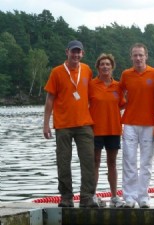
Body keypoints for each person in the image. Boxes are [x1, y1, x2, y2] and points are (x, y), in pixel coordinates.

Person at [43, 40, 98, 208]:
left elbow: (93, 95)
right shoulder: (57, 72)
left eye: (78, 52)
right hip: (63, 125)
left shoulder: (87, 70)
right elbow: (50, 98)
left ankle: (86, 197)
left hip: (84, 124)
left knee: (89, 161)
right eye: (73, 51)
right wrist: (46, 124)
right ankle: (66, 197)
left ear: (83, 53)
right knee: (63, 161)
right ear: (67, 52)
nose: (76, 55)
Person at [119, 43, 154, 208]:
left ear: (146, 56)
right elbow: (117, 92)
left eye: (141, 55)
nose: (138, 58)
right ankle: (129, 198)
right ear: (131, 57)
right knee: (129, 161)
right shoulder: (126, 74)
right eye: (135, 55)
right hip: (129, 122)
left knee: (146, 162)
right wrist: (122, 105)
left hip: (150, 124)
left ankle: (143, 197)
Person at [89, 53, 126, 208]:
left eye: (108, 64)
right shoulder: (90, 85)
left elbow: (123, 104)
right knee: (95, 162)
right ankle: (92, 195)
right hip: (95, 129)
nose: (105, 66)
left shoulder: (118, 86)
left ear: (112, 67)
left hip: (113, 129)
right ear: (98, 67)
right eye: (102, 64)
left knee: (112, 162)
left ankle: (114, 196)